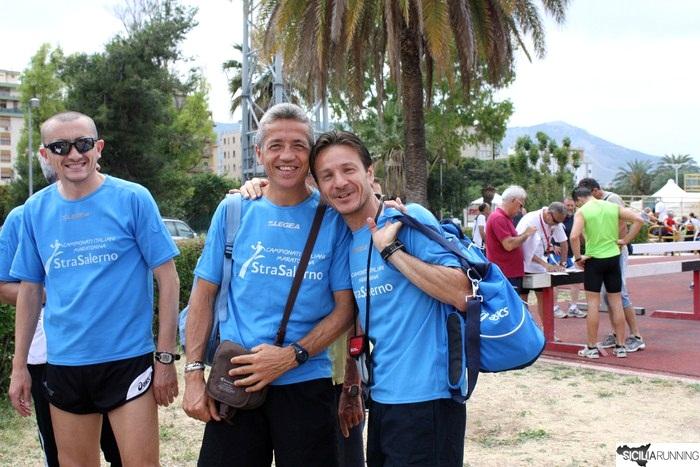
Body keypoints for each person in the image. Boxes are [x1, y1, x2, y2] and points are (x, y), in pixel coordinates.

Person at [182, 103, 355, 467]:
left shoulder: (332, 219)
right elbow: (203, 295)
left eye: (298, 145)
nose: (287, 155)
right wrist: (194, 373)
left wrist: (290, 356)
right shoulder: (233, 211)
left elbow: (344, 309)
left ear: (311, 155)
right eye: (276, 145)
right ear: (259, 153)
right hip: (236, 381)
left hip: (306, 384)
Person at [9, 111, 180, 466]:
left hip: (127, 360)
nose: (74, 154)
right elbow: (29, 290)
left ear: (98, 147)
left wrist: (165, 357)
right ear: (45, 155)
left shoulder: (133, 198)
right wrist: (19, 366)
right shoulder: (35, 210)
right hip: (64, 362)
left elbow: (168, 278)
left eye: (83, 144)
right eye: (61, 147)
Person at [309, 130, 470, 467]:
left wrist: (392, 251)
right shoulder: (347, 238)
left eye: (348, 170)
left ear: (370, 173)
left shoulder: (406, 219)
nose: (339, 182)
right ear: (319, 187)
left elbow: (461, 291)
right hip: (382, 399)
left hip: (428, 398)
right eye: (327, 176)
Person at [0, 155, 122, 466]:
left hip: (110, 352)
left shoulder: (110, 208)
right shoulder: (24, 216)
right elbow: (3, 286)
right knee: (63, 456)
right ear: (54, 165)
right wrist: (58, 292)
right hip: (48, 357)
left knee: (122, 452)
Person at [570, 186, 644, 359]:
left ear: (578, 200)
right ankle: (620, 346)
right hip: (613, 258)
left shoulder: (582, 211)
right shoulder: (612, 207)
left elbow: (574, 236)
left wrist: (578, 258)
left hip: (594, 259)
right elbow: (639, 219)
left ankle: (591, 347)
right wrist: (625, 240)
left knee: (593, 304)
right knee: (616, 302)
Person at [515, 202, 569, 326]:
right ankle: (527, 330)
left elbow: (564, 243)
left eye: (559, 223)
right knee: (523, 300)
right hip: (522, 265)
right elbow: (521, 249)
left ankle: (548, 331)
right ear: (549, 214)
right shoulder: (530, 220)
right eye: (555, 222)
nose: (556, 225)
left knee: (544, 299)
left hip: (540, 267)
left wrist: (563, 263)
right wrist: (545, 265)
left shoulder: (556, 220)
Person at [485, 185, 537, 296]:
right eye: (521, 205)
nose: (521, 210)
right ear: (513, 200)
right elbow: (509, 244)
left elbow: (512, 241)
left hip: (509, 273)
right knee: (510, 304)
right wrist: (526, 234)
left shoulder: (504, 218)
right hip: (506, 273)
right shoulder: (499, 218)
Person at [553, 197, 586, 319]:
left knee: (576, 280)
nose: (570, 208)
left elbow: (578, 236)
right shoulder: (556, 218)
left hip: (572, 254)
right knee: (555, 282)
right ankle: (554, 307)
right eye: (568, 205)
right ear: (563, 205)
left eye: (572, 206)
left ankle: (573, 307)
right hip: (558, 255)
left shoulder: (576, 218)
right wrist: (552, 245)